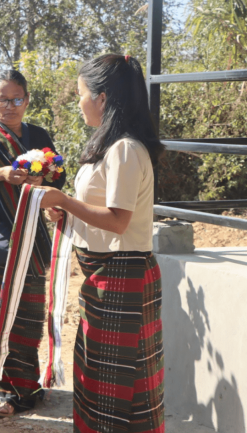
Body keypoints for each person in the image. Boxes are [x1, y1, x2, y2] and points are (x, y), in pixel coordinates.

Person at [37, 54, 165, 433]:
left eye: (81, 94)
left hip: (123, 276)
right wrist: (64, 212)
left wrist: (63, 201)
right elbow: (99, 212)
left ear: (102, 98)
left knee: (121, 385)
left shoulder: (126, 149)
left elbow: (117, 221)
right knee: (100, 376)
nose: (79, 103)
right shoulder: (109, 147)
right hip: (105, 279)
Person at [0, 69, 67, 417]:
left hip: (29, 236)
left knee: (28, 315)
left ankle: (26, 385)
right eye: (3, 99)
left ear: (27, 100)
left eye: (17, 99)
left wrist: (46, 183)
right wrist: (0, 174)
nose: (10, 106)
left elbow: (58, 173)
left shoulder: (37, 135)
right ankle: (3, 389)